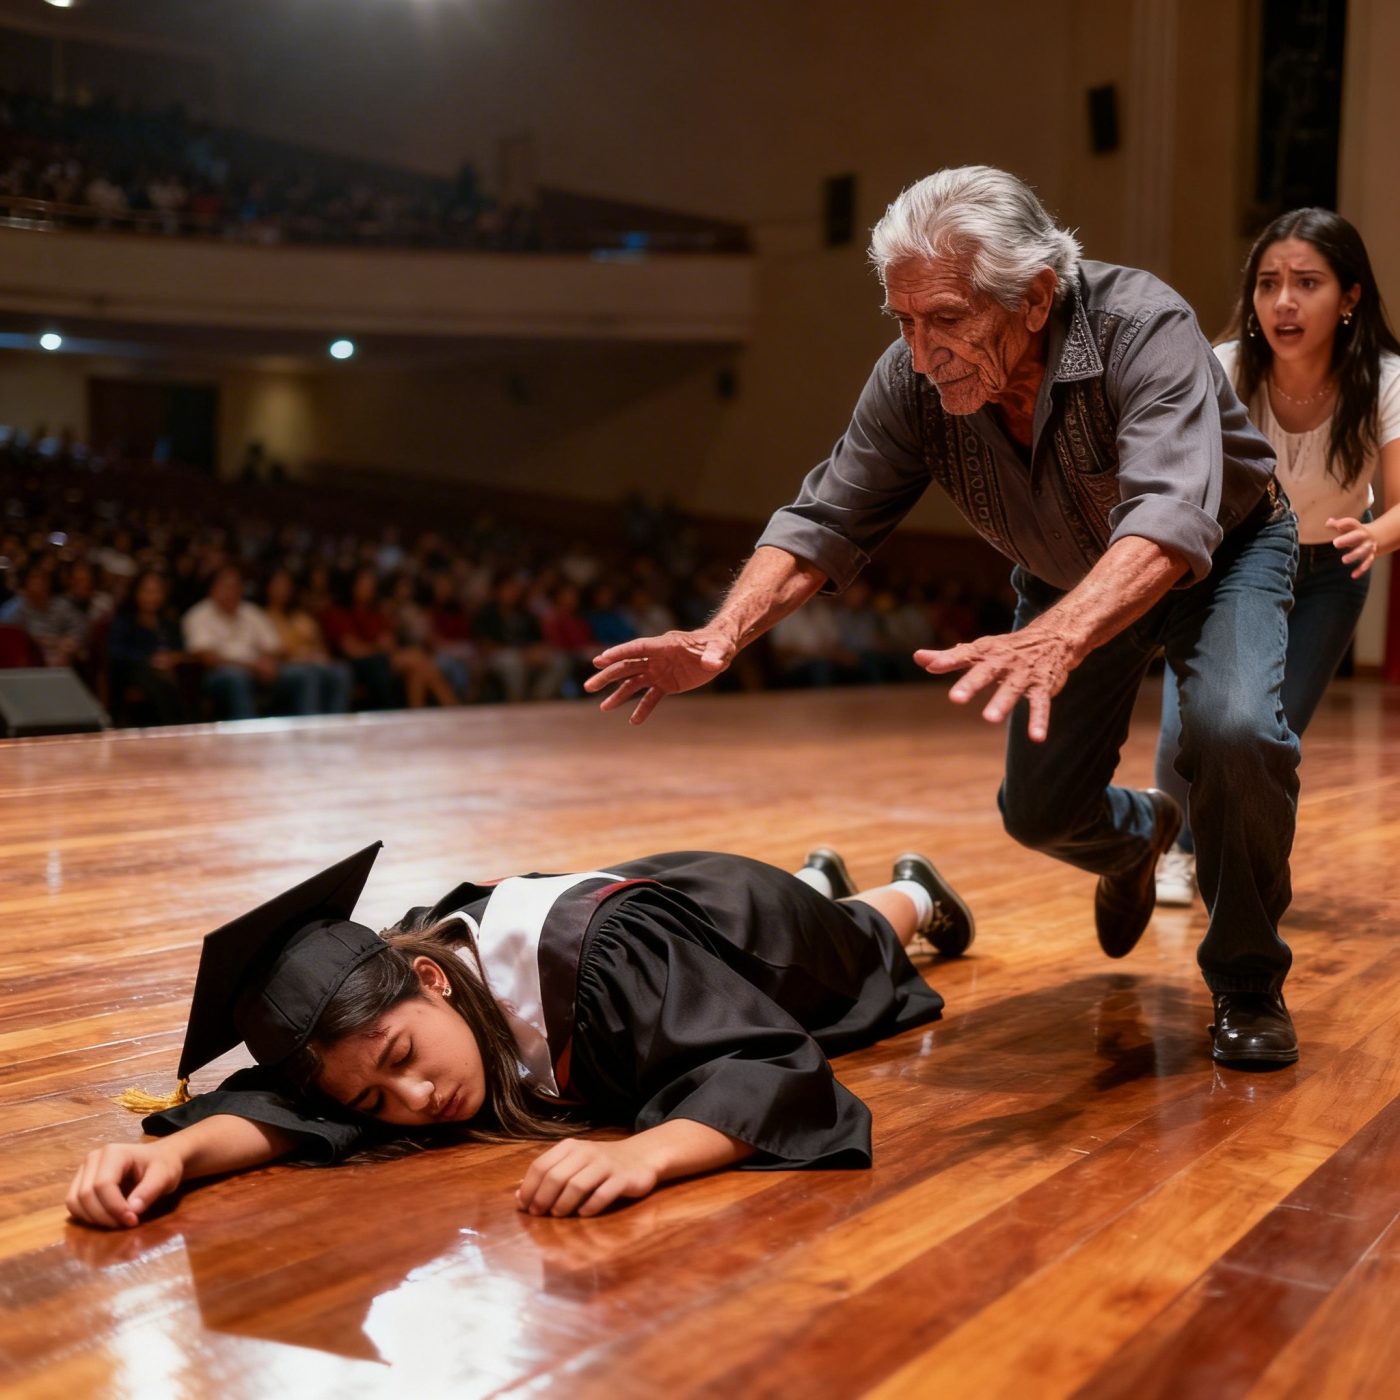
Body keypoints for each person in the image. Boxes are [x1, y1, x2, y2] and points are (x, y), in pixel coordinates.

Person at [587, 166, 1300, 1067]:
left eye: (949, 319)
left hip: (1224, 553)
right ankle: (1138, 839)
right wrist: (720, 634)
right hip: (1062, 580)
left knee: (1238, 733)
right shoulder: (914, 380)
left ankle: (1246, 982)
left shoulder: (1142, 326)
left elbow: (1169, 517)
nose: (923, 355)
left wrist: (1058, 635)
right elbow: (825, 518)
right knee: (1039, 814)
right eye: (904, 322)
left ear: (1036, 297)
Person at [64, 841, 973, 1229]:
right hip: (653, 914)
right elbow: (294, 1106)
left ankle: (911, 891)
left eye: (402, 1063)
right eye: (377, 1101)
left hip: (745, 931)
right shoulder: (390, 1000)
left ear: (431, 980)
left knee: (851, 945)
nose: (415, 1102)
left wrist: (645, 1155)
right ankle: (818, 876)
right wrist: (176, 1162)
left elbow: (767, 1059)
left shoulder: (600, 962)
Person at [1153, 208, 1400, 906]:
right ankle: (1174, 846)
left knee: (1264, 732)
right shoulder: (1225, 367)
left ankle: (1233, 864)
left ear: (1350, 297)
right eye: (1267, 283)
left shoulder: (1384, 380)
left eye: (1306, 282)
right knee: (1188, 724)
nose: (1282, 301)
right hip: (1228, 567)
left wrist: (1375, 534)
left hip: (1329, 573)